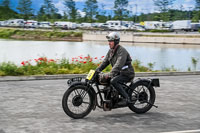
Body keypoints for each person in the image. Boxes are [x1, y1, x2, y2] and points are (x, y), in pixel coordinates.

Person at [96, 32, 135, 104]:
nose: (109, 43)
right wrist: (97, 70)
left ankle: (127, 98)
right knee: (106, 81)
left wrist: (110, 74)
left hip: (127, 73)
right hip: (119, 73)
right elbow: (105, 62)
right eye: (109, 41)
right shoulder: (111, 51)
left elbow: (119, 64)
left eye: (110, 41)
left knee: (113, 81)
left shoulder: (122, 51)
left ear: (116, 41)